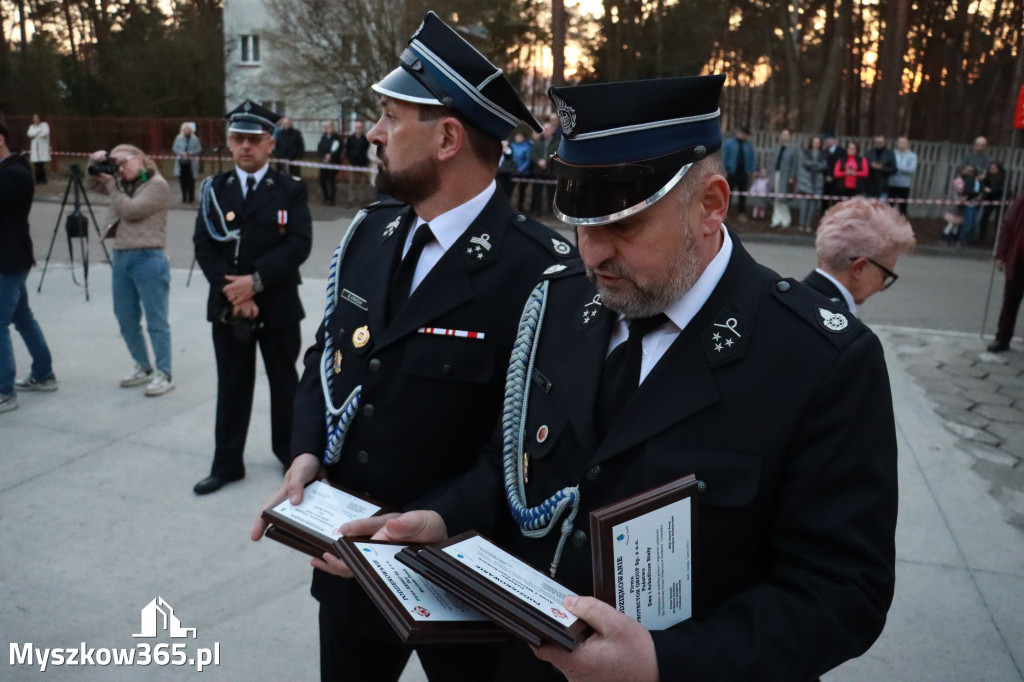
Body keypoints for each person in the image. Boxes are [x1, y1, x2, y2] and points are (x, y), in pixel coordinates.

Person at [342, 74, 899, 682]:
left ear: (711, 205)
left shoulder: (819, 359)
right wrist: (443, 518)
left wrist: (667, 665)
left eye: (622, 225)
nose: (590, 253)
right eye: (580, 224)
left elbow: (842, 590)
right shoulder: (559, 304)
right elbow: (523, 474)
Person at [249, 12, 575, 682]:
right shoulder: (372, 233)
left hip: (463, 582)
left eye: (391, 118)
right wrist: (307, 449)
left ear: (448, 137)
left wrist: (436, 519)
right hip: (347, 571)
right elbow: (328, 359)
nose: (372, 133)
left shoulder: (540, 274)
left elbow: (530, 453)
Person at [192, 100, 313, 495]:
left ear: (270, 144)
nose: (246, 146)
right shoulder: (214, 189)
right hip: (229, 307)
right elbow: (204, 244)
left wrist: (255, 283)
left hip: (276, 304)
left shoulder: (291, 189)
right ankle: (227, 463)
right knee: (232, 385)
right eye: (239, 139)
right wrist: (235, 290)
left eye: (254, 140)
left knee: (285, 383)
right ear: (229, 143)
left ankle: (290, 459)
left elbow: (298, 244)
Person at [86, 145, 175, 396]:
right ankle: (143, 366)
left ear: (140, 158)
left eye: (125, 162)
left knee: (156, 320)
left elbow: (132, 210)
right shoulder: (121, 183)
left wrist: (113, 184)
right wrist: (94, 162)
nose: (121, 168)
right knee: (125, 317)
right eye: (117, 164)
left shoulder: (157, 185)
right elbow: (92, 184)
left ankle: (164, 372)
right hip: (122, 256)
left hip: (148, 257)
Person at [0, 121, 57, 413]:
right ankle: (44, 374)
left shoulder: (14, 174)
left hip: (9, 259)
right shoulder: (11, 170)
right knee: (22, 317)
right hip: (12, 257)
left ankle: (4, 391)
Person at [803, 196, 916, 314]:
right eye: (885, 276)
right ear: (859, 268)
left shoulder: (791, 298)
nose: (882, 287)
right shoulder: (841, 324)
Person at [987, 194, 1024, 353]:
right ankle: (1003, 338)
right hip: (1019, 260)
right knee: (1010, 300)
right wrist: (1001, 254)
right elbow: (1008, 226)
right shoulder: (1022, 202)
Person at [768, 129, 799, 228]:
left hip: (786, 176)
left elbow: (795, 164)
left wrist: (792, 176)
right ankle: (776, 218)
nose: (784, 136)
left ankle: (786, 219)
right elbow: (772, 161)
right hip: (776, 174)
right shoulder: (777, 147)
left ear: (790, 136)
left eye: (786, 135)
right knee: (776, 197)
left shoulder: (793, 148)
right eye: (783, 134)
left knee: (783, 198)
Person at [796, 134, 827, 231]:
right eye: (814, 142)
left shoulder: (823, 154)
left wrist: (814, 165)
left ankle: (809, 225)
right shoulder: (806, 153)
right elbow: (805, 163)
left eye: (818, 142)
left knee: (813, 205)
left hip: (817, 183)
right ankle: (802, 224)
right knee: (804, 204)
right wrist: (816, 164)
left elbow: (823, 166)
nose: (816, 144)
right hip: (806, 181)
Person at [723, 127, 756, 214]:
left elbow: (752, 159)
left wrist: (752, 170)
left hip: (743, 173)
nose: (743, 136)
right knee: (728, 193)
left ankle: (741, 211)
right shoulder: (729, 143)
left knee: (743, 193)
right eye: (742, 133)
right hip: (731, 172)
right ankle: (726, 211)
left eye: (746, 134)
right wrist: (724, 170)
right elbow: (723, 157)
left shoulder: (749, 146)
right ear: (738, 133)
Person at [530, 122, 558, 216]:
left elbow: (556, 154)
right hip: (538, 171)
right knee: (537, 193)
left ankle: (551, 212)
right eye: (545, 129)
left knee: (551, 193)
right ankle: (537, 211)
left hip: (550, 172)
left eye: (548, 129)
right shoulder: (538, 141)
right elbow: (533, 153)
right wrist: (538, 161)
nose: (546, 131)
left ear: (552, 130)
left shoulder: (557, 142)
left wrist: (546, 162)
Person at [172, 122, 202, 203]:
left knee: (191, 180)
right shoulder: (178, 138)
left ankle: (191, 197)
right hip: (181, 163)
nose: (187, 131)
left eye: (188, 129)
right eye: (185, 129)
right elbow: (174, 148)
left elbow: (199, 149)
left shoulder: (195, 139)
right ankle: (184, 197)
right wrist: (182, 153)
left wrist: (190, 153)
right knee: (182, 180)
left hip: (191, 163)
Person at [344, 120, 371, 205]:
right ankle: (351, 200)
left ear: (362, 128)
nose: (358, 129)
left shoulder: (365, 139)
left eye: (360, 127)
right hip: (352, 164)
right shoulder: (350, 139)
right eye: (357, 127)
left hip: (363, 164)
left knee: (362, 184)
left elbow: (368, 151)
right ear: (354, 128)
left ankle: (362, 200)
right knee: (351, 184)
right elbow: (347, 150)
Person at [979, 161, 1007, 243]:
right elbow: (982, 185)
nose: (992, 170)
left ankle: (997, 237)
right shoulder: (987, 176)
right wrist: (983, 183)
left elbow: (1003, 188)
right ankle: (981, 235)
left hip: (1000, 199)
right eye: (991, 168)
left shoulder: (1004, 177)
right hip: (989, 199)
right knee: (984, 217)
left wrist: (992, 190)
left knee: (999, 219)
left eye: (994, 168)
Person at [889, 135, 917, 216]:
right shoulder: (892, 154)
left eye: (904, 143)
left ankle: (903, 225)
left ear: (907, 144)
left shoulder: (912, 155)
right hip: (892, 183)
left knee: (903, 207)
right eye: (900, 143)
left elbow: (911, 169)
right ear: (897, 144)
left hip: (904, 185)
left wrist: (896, 167)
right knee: (889, 206)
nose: (901, 145)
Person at [316, 121, 342, 205]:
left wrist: (330, 156)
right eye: (326, 127)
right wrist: (323, 157)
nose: (328, 129)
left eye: (329, 127)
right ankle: (325, 197)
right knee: (322, 180)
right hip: (323, 162)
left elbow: (338, 149)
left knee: (331, 181)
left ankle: (332, 199)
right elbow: (319, 148)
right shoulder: (323, 137)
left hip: (333, 162)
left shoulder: (336, 138)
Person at [509, 131, 532, 212]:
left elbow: (527, 160)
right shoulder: (512, 146)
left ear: (523, 138)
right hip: (513, 171)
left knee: (522, 191)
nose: (518, 138)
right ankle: (508, 206)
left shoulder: (527, 147)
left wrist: (520, 169)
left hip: (523, 173)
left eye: (520, 137)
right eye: (517, 136)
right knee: (510, 189)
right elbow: (509, 158)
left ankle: (520, 207)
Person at [27, 114, 50, 185]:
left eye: (36, 117)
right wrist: (37, 132)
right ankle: (39, 179)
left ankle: (42, 179)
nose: (35, 119)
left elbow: (45, 133)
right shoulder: (32, 126)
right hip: (35, 147)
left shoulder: (44, 125)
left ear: (39, 118)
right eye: (34, 118)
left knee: (41, 164)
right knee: (36, 164)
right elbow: (29, 134)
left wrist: (36, 135)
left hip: (42, 147)